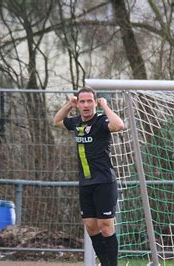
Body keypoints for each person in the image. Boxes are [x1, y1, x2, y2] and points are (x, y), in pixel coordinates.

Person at [53, 87, 125, 266]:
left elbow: (119, 125)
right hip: (85, 183)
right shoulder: (76, 122)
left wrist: (105, 106)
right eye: (82, 101)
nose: (86, 105)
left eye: (89, 101)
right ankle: (105, 263)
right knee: (91, 227)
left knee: (106, 227)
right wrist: (69, 105)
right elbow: (57, 121)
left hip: (104, 182)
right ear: (78, 104)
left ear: (95, 102)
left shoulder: (101, 121)